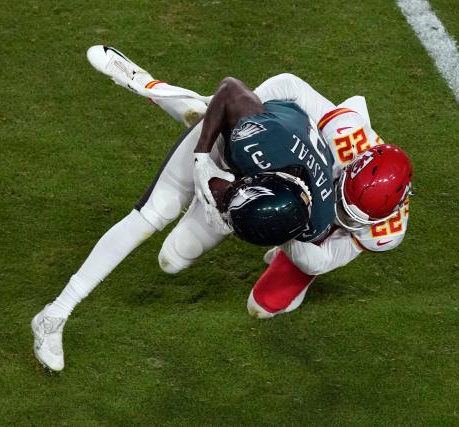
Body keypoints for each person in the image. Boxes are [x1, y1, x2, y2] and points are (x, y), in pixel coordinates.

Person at [31, 47, 339, 371]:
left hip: (262, 170)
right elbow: (230, 88)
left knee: (173, 260)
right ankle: (54, 314)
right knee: (152, 215)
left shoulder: (315, 221)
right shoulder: (259, 139)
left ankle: (199, 112)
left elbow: (286, 234)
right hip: (241, 136)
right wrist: (203, 156)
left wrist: (240, 218)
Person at [79, 47, 414, 320]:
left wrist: (287, 224)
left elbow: (321, 260)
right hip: (280, 170)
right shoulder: (345, 137)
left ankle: (210, 128)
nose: (340, 209)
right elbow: (288, 86)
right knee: (174, 257)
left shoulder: (386, 233)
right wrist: (257, 119)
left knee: (261, 307)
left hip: (311, 235)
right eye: (341, 195)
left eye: (352, 215)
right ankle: (160, 91)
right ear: (351, 167)